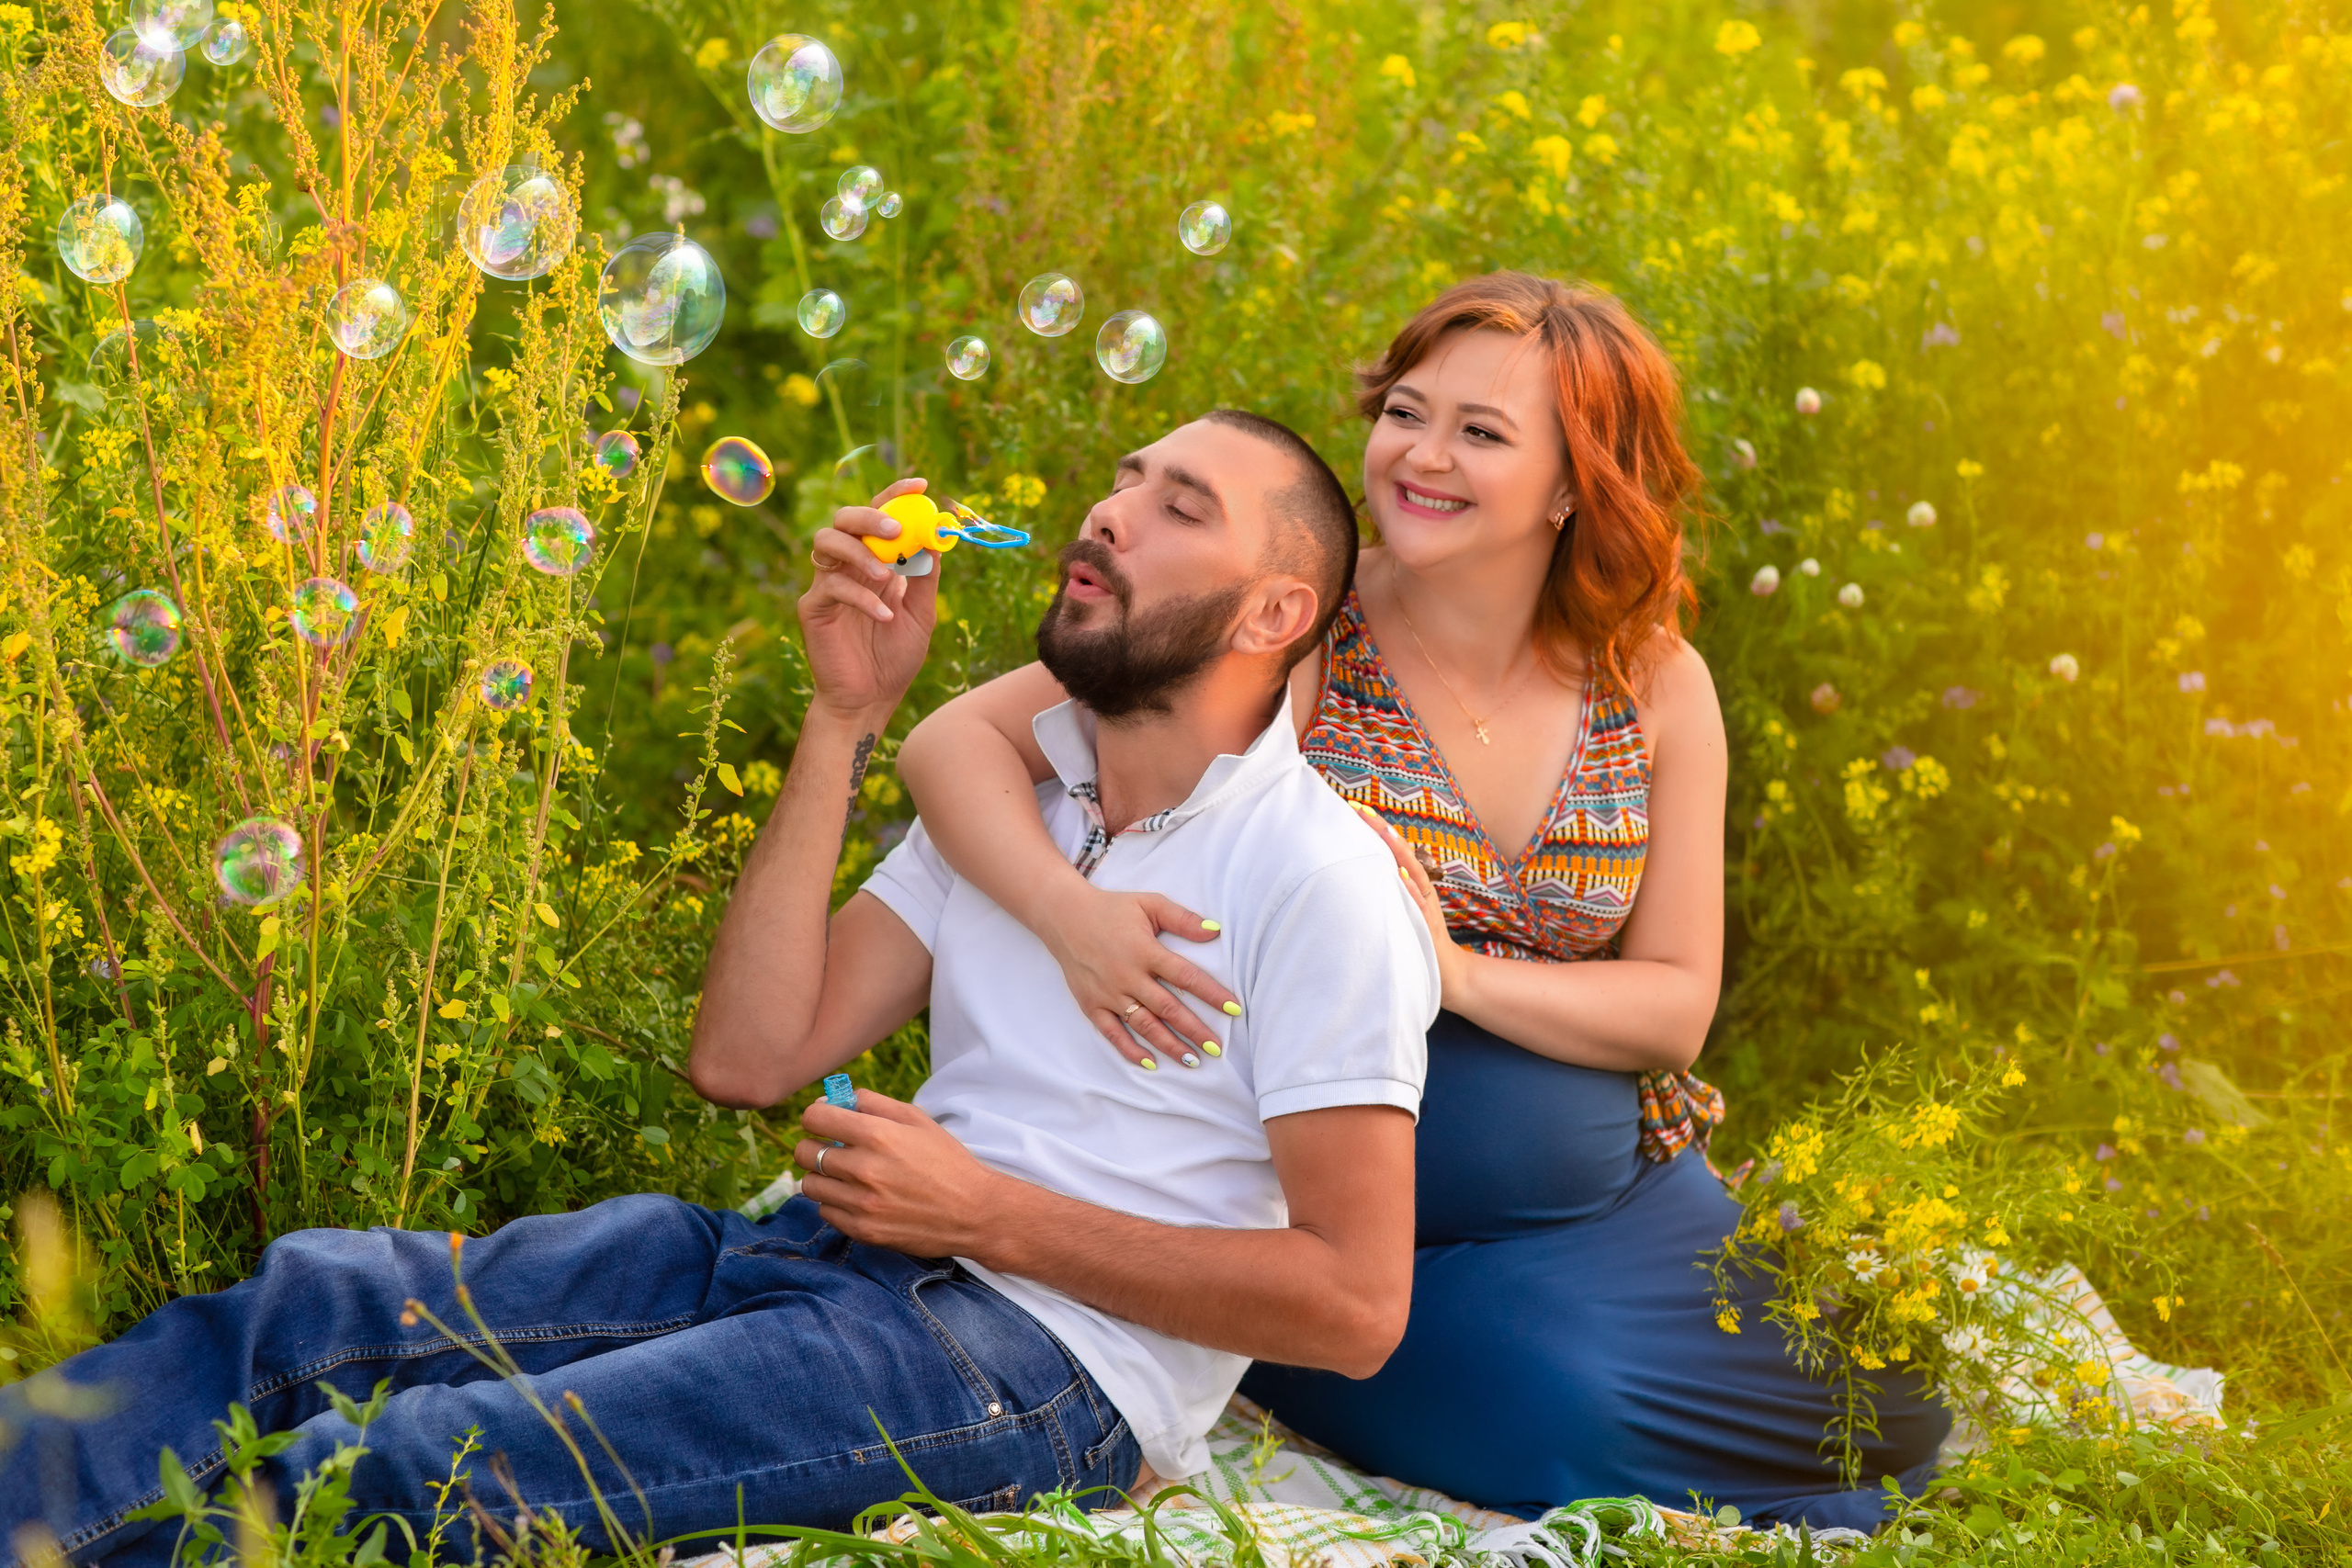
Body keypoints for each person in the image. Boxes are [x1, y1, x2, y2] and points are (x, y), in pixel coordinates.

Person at [0, 410, 1440, 1568]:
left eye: (1181, 505)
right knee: (320, 1305)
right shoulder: (1031, 806)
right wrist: (845, 715)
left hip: (1040, 1369)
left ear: (1275, 611)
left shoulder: (1316, 880)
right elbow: (753, 1056)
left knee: (398, 1473)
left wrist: (986, 1214)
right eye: (1125, 480)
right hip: (829, 1255)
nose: (1111, 511)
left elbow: (1358, 1307)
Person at [894, 273, 1951, 1529]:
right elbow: (953, 744)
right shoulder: (1302, 634)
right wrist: (1073, 924)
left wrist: (1455, 973)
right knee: (1572, 1413)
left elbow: (1674, 1006)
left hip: (1622, 1197)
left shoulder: (1655, 681)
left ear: (1573, 486)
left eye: (1482, 433)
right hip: (1366, 1243)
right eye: (1406, 411)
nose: (1421, 456)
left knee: (1893, 1404)